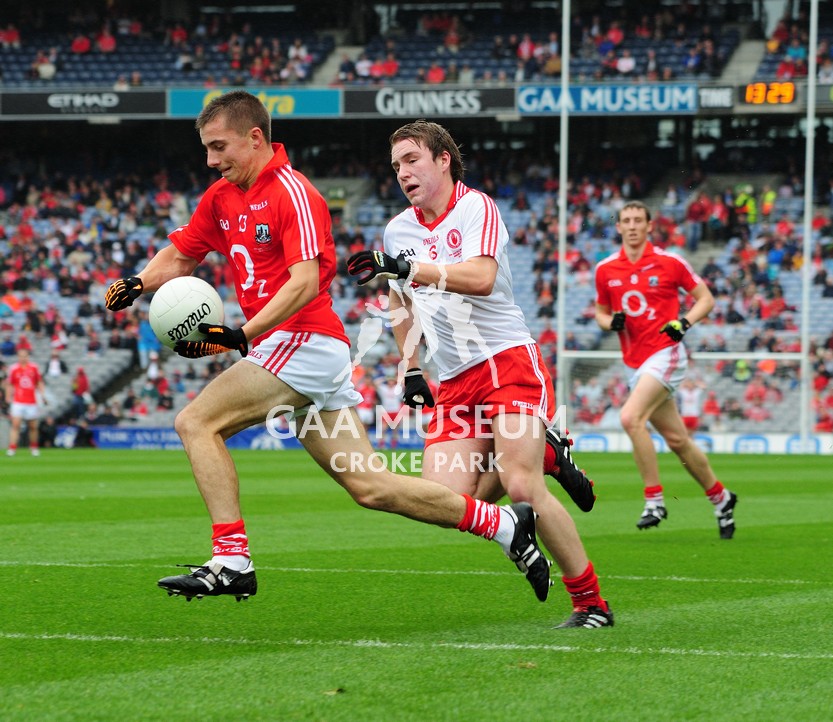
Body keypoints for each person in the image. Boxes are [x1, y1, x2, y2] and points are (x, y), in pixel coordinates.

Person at [103, 91, 550, 604]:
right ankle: (504, 525)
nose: (211, 160)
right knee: (372, 487)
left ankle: (231, 560)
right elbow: (182, 255)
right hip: (290, 348)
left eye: (219, 146)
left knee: (196, 422)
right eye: (206, 149)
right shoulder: (220, 197)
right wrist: (140, 283)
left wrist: (244, 335)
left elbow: (304, 282)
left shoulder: (294, 193)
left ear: (255, 138)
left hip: (304, 341)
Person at [347, 120, 611, 629]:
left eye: (412, 159)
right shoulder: (399, 230)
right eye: (396, 164)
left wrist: (409, 269)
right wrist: (410, 367)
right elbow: (400, 304)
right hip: (454, 378)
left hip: (507, 360)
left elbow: (483, 279)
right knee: (446, 498)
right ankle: (550, 454)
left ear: (444, 159)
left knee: (520, 484)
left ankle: (591, 603)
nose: (403, 172)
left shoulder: (475, 207)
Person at [595, 201, 737, 538]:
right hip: (636, 362)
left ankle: (654, 500)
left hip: (666, 353)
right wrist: (608, 322)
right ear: (619, 227)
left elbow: (706, 299)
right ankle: (722, 498)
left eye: (637, 220)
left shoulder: (670, 262)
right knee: (677, 440)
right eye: (626, 221)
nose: (631, 226)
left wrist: (684, 322)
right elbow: (601, 311)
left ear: (648, 225)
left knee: (630, 418)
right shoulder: (605, 269)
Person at [4, 347, 46, 457]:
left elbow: (39, 382)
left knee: (32, 426)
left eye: (25, 355)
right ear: (18, 357)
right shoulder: (13, 368)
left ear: (28, 356)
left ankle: (34, 447)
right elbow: (9, 384)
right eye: (21, 356)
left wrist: (42, 395)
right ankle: (12, 448)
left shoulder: (34, 368)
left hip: (31, 401)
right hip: (18, 401)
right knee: (15, 425)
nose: (23, 358)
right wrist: (8, 397)